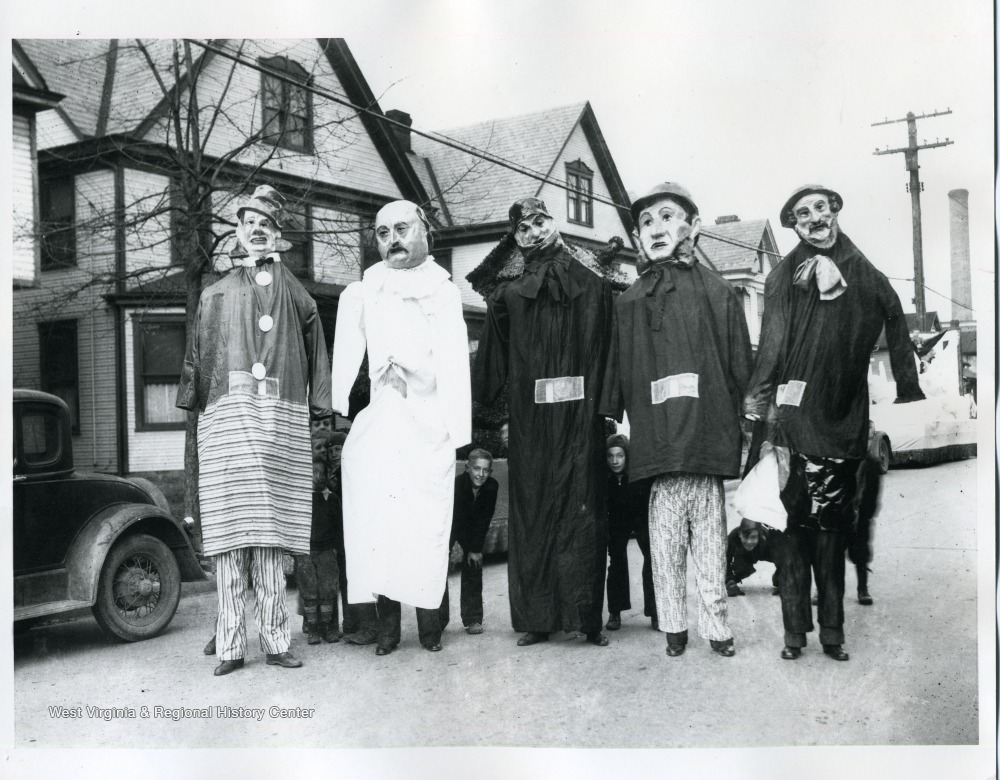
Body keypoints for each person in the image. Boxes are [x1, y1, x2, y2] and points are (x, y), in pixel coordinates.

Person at [744, 184, 923, 661]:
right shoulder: (785, 274)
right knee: (790, 543)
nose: (814, 217)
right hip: (791, 426)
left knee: (830, 541)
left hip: (842, 426)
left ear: (836, 210)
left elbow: (895, 316)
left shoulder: (864, 271)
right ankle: (793, 636)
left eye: (821, 207)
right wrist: (759, 400)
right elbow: (773, 340)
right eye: (803, 213)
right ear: (794, 224)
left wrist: (908, 384)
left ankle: (832, 636)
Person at [177, 184, 332, 676]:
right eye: (249, 222)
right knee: (227, 539)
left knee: (268, 538)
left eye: (266, 223)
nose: (257, 230)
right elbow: (198, 356)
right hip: (226, 424)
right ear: (239, 231)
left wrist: (320, 403)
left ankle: (276, 638)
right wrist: (193, 400)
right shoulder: (214, 294)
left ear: (278, 235)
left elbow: (316, 347)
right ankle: (229, 646)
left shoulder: (296, 295)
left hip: (277, 425)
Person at [600, 182, 753, 658]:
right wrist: (609, 413)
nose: (657, 229)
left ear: (694, 226)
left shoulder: (719, 294)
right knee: (662, 552)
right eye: (646, 222)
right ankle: (673, 628)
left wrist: (749, 416)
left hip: (704, 448)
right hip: (658, 453)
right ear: (636, 236)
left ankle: (718, 629)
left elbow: (740, 370)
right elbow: (613, 376)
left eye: (667, 217)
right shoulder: (626, 304)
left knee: (709, 550)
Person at [331, 199, 471, 655]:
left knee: (426, 525)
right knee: (383, 524)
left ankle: (431, 627)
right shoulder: (369, 287)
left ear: (424, 232)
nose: (393, 239)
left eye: (402, 229)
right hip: (384, 422)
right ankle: (388, 628)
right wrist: (342, 404)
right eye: (383, 232)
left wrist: (457, 432)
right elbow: (350, 354)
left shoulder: (443, 291)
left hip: (428, 423)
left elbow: (453, 363)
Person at [473, 197, 612, 648]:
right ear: (515, 238)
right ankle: (537, 617)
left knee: (580, 509)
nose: (532, 231)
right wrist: (489, 409)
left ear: (552, 223)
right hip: (531, 421)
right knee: (532, 513)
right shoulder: (510, 294)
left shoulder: (590, 284)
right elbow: (492, 356)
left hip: (579, 419)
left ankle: (586, 618)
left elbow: (609, 345)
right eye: (523, 229)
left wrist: (606, 404)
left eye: (539, 222)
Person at [604, 434, 655, 631]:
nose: (615, 461)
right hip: (618, 521)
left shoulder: (639, 475)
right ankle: (615, 612)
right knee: (616, 561)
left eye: (620, 455)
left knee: (651, 559)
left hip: (641, 518)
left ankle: (655, 611)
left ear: (627, 456)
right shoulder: (605, 478)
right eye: (610, 456)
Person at [293, 439, 341, 645]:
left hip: (326, 551)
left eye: (321, 473)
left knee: (328, 589)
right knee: (309, 590)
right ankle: (313, 628)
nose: (317, 478)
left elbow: (339, 526)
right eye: (313, 474)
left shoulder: (331, 499)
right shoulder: (300, 500)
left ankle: (329, 628)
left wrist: (337, 549)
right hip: (305, 551)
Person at [450, 449, 499, 635]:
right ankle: (437, 620)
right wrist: (452, 546)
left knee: (474, 563)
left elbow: (483, 519)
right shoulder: (456, 484)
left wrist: (474, 548)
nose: (481, 474)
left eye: (486, 470)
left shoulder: (492, 486)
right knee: (440, 568)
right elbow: (453, 518)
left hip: (472, 530)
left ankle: (473, 618)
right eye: (477, 469)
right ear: (467, 468)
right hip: (452, 527)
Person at [725, 519, 782, 597]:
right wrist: (729, 581)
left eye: (753, 537)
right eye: (746, 536)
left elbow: (786, 559)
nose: (749, 542)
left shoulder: (769, 538)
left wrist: (785, 582)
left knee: (779, 581)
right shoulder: (733, 536)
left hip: (764, 551)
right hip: (745, 555)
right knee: (742, 569)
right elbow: (724, 560)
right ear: (740, 534)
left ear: (759, 535)